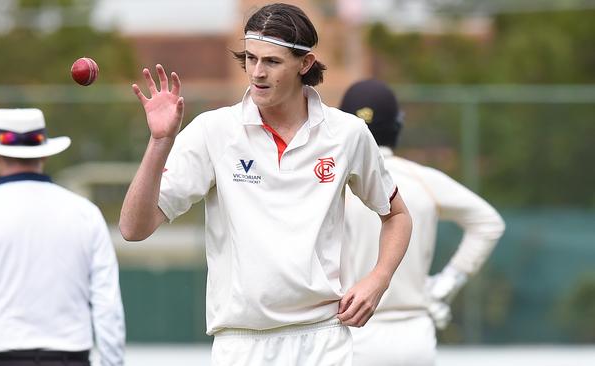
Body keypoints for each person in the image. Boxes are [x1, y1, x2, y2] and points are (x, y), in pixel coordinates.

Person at [119, 3, 412, 365]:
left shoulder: (347, 134)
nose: (256, 73)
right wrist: (160, 142)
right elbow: (133, 228)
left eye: (271, 62)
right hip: (240, 344)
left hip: (323, 338)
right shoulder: (214, 131)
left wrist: (378, 279)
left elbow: (396, 215)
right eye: (250, 59)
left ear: (305, 64)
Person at [339, 79, 506, 365]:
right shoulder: (422, 180)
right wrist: (447, 283)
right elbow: (488, 223)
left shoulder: (329, 182)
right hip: (413, 336)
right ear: (398, 126)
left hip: (347, 332)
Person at [0, 108, 125, 366]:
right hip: (70, 359)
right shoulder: (85, 214)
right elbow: (108, 307)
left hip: (1, 359)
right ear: (45, 154)